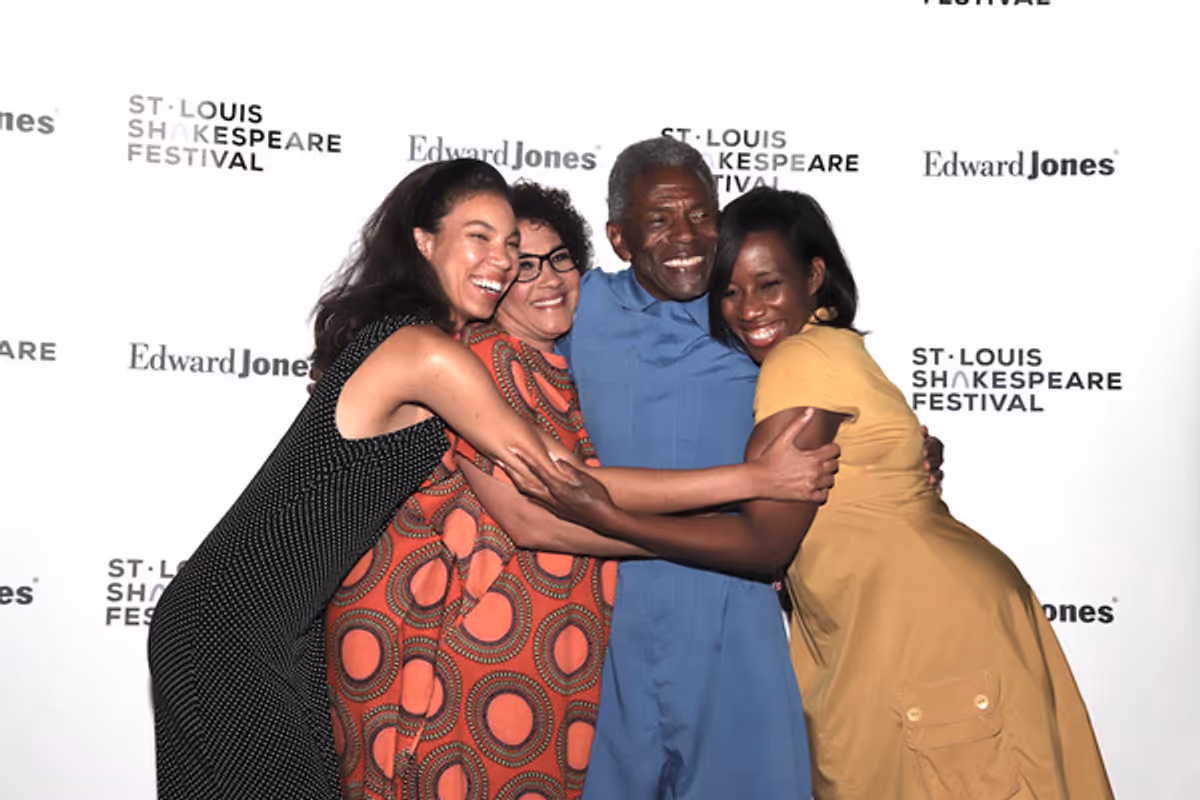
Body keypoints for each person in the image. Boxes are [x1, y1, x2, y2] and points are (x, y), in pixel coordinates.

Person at [513, 186, 1115, 800]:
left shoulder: (799, 360)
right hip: (898, 619)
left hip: (923, 629)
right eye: (731, 291)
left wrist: (610, 517)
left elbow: (764, 546)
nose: (749, 309)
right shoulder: (824, 344)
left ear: (815, 276)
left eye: (768, 285)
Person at [323, 180, 836, 800]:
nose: (545, 278)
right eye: (522, 267)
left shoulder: (564, 360)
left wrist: (882, 441)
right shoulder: (481, 355)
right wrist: (733, 523)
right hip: (464, 641)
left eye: (559, 258)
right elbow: (542, 510)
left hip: (546, 650)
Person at [146, 160, 600, 800]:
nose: (500, 260)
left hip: (284, 632)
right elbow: (555, 476)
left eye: (511, 245)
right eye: (479, 236)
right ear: (424, 241)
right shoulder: (425, 353)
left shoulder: (423, 341)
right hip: (229, 629)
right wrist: (744, 484)